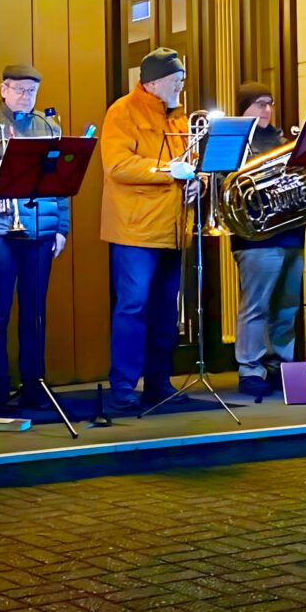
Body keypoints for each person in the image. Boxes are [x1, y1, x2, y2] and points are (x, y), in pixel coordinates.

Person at [0, 64, 69, 410]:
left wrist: (61, 228)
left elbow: (62, 182)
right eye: (19, 90)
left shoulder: (47, 126)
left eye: (31, 91)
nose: (26, 97)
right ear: (4, 89)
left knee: (35, 312)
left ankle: (34, 385)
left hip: (39, 231)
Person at [100, 47, 199, 411]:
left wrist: (196, 182)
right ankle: (124, 385)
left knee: (164, 310)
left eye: (182, 79)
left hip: (172, 228)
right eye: (176, 80)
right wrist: (166, 172)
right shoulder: (122, 111)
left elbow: (188, 164)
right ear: (154, 82)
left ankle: (159, 381)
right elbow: (118, 165)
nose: (181, 85)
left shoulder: (179, 118)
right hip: (134, 231)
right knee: (133, 306)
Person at [230, 82, 306, 398]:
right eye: (259, 103)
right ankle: (250, 368)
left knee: (287, 307)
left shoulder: (284, 141)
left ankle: (281, 365)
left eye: (269, 103)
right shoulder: (235, 142)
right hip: (255, 238)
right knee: (256, 306)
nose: (266, 109)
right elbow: (229, 189)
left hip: (291, 233)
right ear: (244, 107)